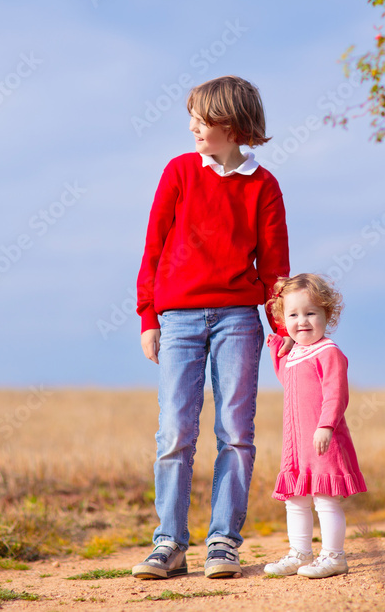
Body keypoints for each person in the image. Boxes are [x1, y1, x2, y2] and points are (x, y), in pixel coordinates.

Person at [132, 75, 291, 580]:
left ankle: (223, 541)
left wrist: (283, 329)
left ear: (234, 124)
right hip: (177, 318)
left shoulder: (263, 185)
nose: (194, 127)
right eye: (193, 118)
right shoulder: (178, 171)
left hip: (239, 320)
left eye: (204, 119)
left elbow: (274, 266)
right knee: (175, 431)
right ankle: (169, 544)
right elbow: (153, 246)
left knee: (236, 433)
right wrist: (148, 316)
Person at [262, 273, 366, 579]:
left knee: (324, 499)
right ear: (283, 318)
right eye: (293, 315)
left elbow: (336, 392)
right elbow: (287, 379)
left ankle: (334, 556)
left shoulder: (328, 351)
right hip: (296, 445)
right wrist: (277, 348)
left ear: (326, 315)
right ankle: (300, 553)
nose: (302, 321)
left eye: (311, 313)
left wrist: (326, 425)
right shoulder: (295, 353)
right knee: (295, 500)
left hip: (323, 439)